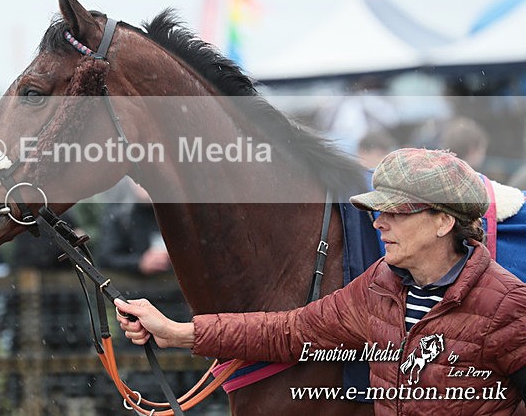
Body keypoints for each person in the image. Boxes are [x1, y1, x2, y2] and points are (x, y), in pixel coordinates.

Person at [116, 149, 526, 414]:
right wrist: (177, 332)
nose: (379, 222)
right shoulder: (377, 286)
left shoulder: (509, 306)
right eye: (378, 210)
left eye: (397, 212)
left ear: (443, 221)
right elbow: (289, 331)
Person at [98, 179, 171, 275]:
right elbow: (106, 258)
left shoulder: (172, 214)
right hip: (134, 285)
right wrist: (139, 263)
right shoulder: (120, 214)